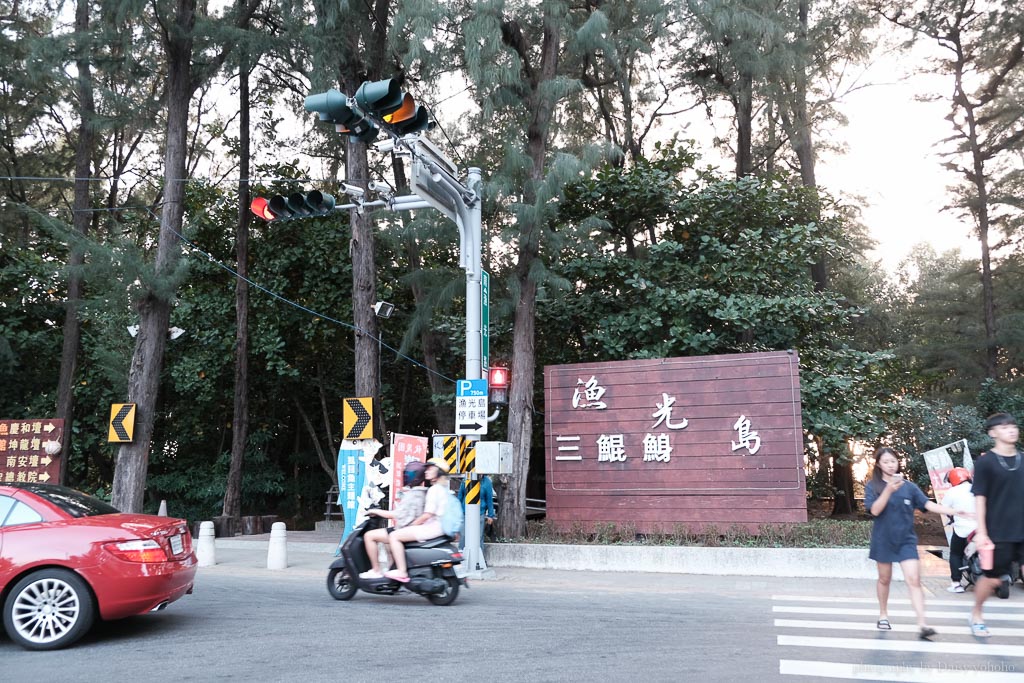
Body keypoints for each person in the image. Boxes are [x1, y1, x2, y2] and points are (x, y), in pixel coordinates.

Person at [865, 446, 969, 640]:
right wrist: (888, 490)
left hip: (906, 541)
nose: (890, 465)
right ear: (878, 464)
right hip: (883, 540)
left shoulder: (909, 486)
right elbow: (875, 511)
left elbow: (927, 504)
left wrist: (953, 510)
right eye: (886, 461)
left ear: (898, 463)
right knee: (884, 579)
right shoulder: (873, 486)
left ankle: (923, 624)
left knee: (914, 580)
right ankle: (883, 614)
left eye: (893, 461)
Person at [969, 412, 1024, 638]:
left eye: (1013, 426)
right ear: (993, 433)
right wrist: (982, 532)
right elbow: (980, 498)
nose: (1011, 429)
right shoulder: (985, 463)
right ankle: (976, 613)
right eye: (1003, 427)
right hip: (998, 531)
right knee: (992, 578)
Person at [384, 457, 451, 582]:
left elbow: (427, 515)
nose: (426, 471)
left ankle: (402, 571)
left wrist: (412, 525)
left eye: (430, 468)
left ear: (438, 472)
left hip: (433, 528)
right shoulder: (443, 489)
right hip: (439, 527)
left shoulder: (434, 490)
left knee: (394, 536)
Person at [358, 460, 428, 579]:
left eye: (408, 475)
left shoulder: (413, 494)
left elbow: (395, 514)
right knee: (386, 542)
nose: (406, 477)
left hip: (404, 529)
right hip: (410, 528)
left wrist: (374, 511)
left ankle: (376, 570)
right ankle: (391, 569)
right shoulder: (422, 492)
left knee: (369, 536)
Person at [940, 467, 977, 593]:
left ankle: (956, 583)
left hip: (962, 530)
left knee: (956, 554)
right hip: (980, 529)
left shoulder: (952, 491)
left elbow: (944, 509)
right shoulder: (977, 488)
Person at [458, 474, 496, 549]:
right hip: (465, 512)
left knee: (478, 537)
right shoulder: (465, 480)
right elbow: (460, 496)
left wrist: (490, 515)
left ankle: (479, 557)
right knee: (463, 536)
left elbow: (489, 500)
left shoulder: (487, 482)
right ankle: (461, 556)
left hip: (479, 513)